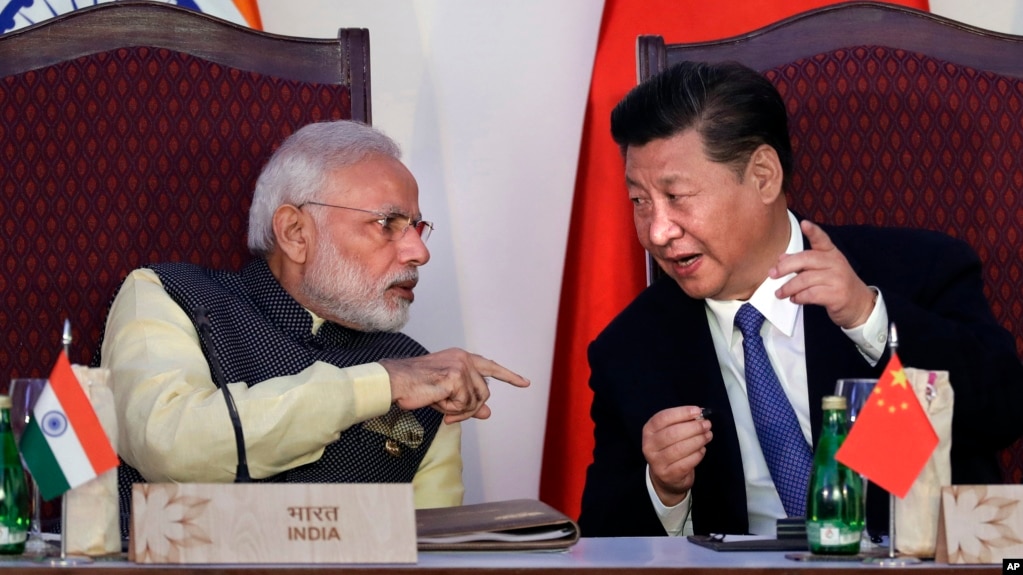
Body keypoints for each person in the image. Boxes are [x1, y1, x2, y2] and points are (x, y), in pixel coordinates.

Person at [577, 60, 1023, 537]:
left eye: (678, 195)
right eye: (640, 202)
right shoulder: (630, 350)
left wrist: (868, 318)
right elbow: (601, 544)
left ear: (764, 176)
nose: (659, 232)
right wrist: (663, 490)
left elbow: (1003, 413)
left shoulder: (916, 271)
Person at [100, 120, 530, 530]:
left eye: (416, 228)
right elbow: (172, 445)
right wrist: (379, 385)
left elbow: (431, 557)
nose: (419, 252)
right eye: (387, 224)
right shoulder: (168, 293)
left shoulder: (422, 371)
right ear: (295, 233)